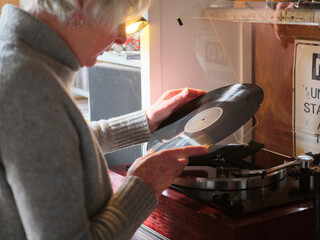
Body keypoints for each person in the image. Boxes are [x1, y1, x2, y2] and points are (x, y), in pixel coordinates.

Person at [0, 1, 209, 239]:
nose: (122, 37)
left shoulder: (18, 53)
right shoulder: (30, 87)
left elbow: (56, 144)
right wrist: (142, 186)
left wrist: (145, 121)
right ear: (83, 5)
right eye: (119, 20)